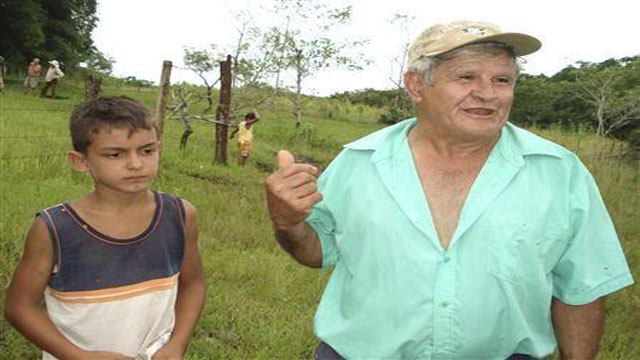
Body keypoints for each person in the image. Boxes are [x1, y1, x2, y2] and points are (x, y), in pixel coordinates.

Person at [265, 20, 634, 359]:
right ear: (416, 85)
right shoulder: (360, 162)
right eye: (466, 77)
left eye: (502, 80)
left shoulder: (558, 171)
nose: (487, 94)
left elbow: (582, 289)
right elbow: (317, 252)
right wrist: (289, 223)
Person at [4, 96, 206, 359]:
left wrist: (177, 343)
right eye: (115, 154)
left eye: (147, 151)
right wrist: (78, 356)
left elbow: (193, 284)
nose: (135, 163)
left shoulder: (180, 215)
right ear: (80, 161)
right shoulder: (55, 228)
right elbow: (19, 306)